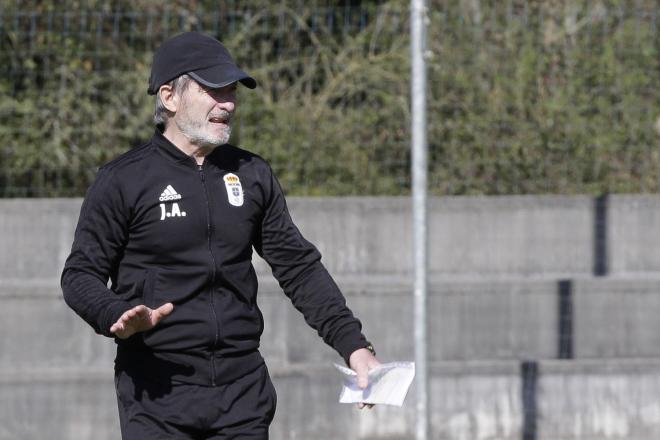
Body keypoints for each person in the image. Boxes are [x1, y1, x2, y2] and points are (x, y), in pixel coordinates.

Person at [61, 31, 379, 439]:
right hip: (158, 393)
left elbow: (298, 268)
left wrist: (355, 347)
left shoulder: (252, 173)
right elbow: (79, 276)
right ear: (169, 97)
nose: (226, 103)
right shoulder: (123, 180)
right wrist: (113, 315)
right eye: (212, 89)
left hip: (242, 394)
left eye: (230, 90)